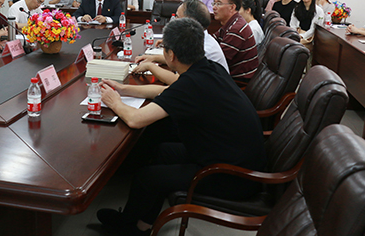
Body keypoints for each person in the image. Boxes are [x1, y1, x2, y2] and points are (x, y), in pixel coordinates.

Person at [97, 18, 266, 236]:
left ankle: (128, 228)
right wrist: (123, 90)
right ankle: (144, 223)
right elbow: (168, 92)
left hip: (232, 176)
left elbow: (136, 120)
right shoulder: (209, 69)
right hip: (235, 157)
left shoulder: (192, 84)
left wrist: (114, 103)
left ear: (171, 55)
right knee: (162, 151)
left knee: (146, 177)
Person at [133, 0, 229, 84]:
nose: (174, 20)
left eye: (177, 17)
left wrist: (150, 67)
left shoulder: (204, 49)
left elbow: (178, 80)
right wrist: (154, 58)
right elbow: (181, 61)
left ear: (190, 22)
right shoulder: (196, 38)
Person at [213, 0, 259, 81]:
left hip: (238, 81)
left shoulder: (236, 29)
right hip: (229, 75)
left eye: (218, 4)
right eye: (214, 3)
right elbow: (213, 40)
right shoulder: (231, 23)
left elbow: (218, 59)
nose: (214, 7)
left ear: (232, 7)